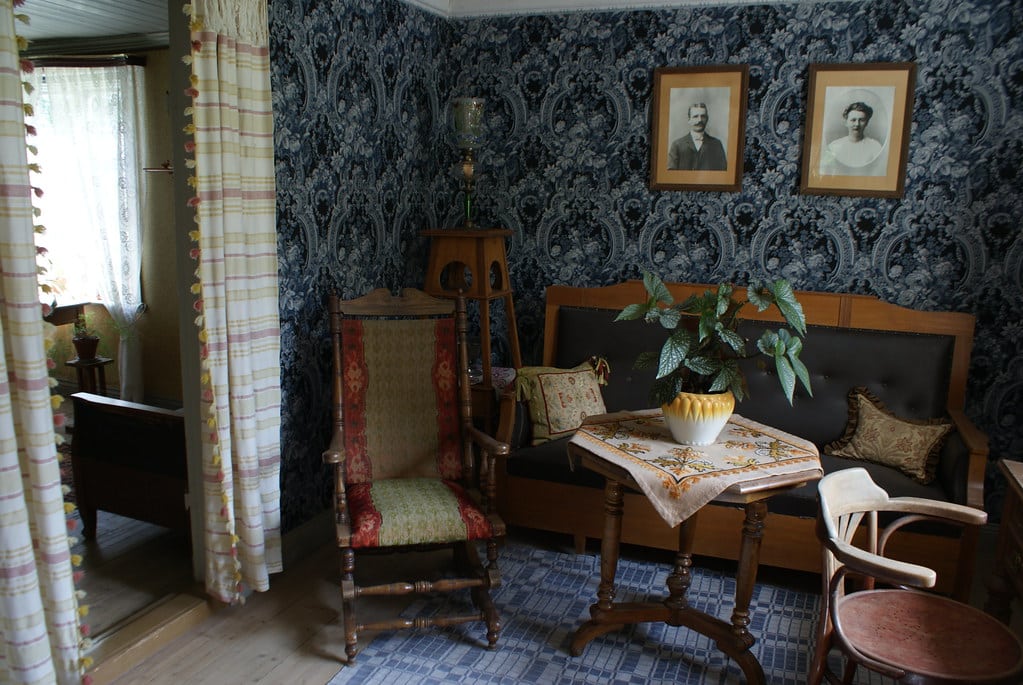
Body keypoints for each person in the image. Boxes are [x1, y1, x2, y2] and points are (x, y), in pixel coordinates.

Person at [667, 103, 727, 171]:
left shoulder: (716, 144)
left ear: (707, 119)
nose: (700, 120)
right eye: (695, 116)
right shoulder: (677, 145)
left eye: (703, 116)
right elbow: (670, 174)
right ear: (689, 120)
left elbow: (723, 173)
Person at [825, 101, 883, 169]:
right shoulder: (833, 146)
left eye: (861, 120)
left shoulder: (876, 147)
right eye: (853, 120)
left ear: (867, 123)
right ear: (846, 122)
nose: (857, 124)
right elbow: (825, 168)